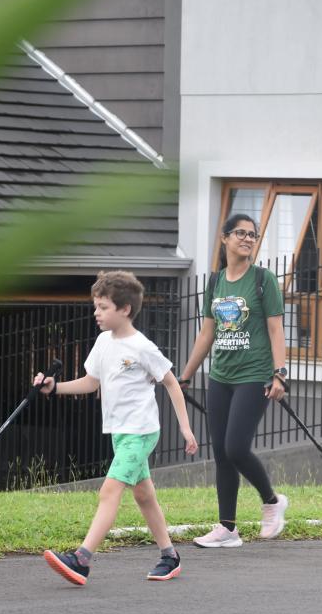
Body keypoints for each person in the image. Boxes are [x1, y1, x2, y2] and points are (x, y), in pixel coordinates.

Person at [36, 271, 198, 584]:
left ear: (124, 309)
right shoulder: (102, 343)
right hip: (120, 432)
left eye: (103, 307)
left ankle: (82, 559)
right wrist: (54, 387)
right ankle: (169, 555)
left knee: (110, 491)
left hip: (141, 432)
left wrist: (186, 428)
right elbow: (90, 382)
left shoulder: (142, 347)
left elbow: (170, 382)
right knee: (144, 496)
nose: (96, 312)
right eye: (96, 306)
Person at [179, 213, 290, 548]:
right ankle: (227, 529)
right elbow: (207, 333)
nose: (247, 239)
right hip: (221, 377)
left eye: (252, 235)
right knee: (221, 454)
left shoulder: (262, 279)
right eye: (240, 233)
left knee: (237, 447)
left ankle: (272, 502)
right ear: (224, 238)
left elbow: (275, 328)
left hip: (254, 375)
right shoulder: (215, 282)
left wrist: (280, 373)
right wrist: (185, 375)